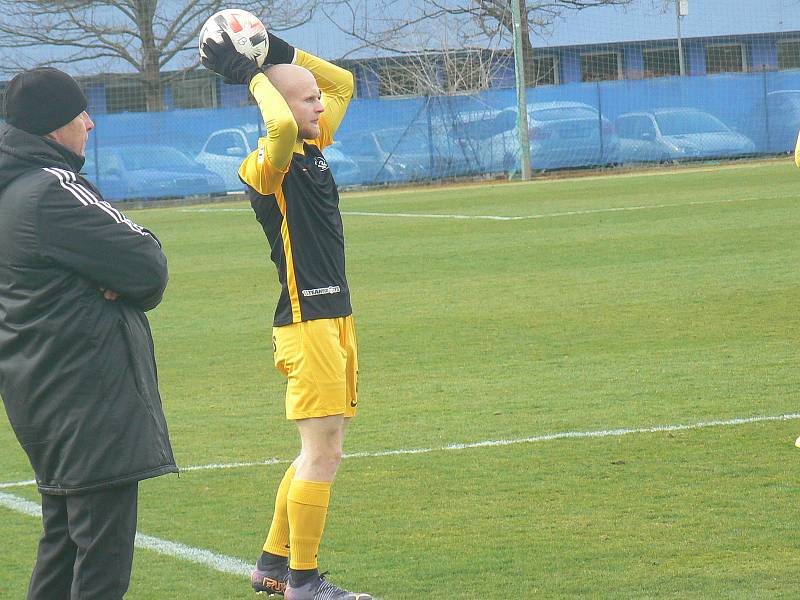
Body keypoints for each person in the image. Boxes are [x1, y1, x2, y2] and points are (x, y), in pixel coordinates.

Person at [201, 29, 372, 600]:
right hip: (306, 324)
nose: (319, 104)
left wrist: (277, 50)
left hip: (336, 318)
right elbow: (276, 125)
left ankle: (274, 566)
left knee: (318, 451)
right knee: (324, 453)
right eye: (306, 99)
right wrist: (253, 74)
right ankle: (304, 581)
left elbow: (343, 82)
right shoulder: (264, 165)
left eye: (315, 100)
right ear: (275, 104)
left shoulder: (313, 147)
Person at [0, 67, 177, 600]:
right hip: (88, 398)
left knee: (62, 543)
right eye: (82, 115)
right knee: (100, 557)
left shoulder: (12, 190)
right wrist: (113, 281)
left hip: (43, 393)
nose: (91, 125)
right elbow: (147, 263)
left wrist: (109, 280)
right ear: (56, 125)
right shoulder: (51, 189)